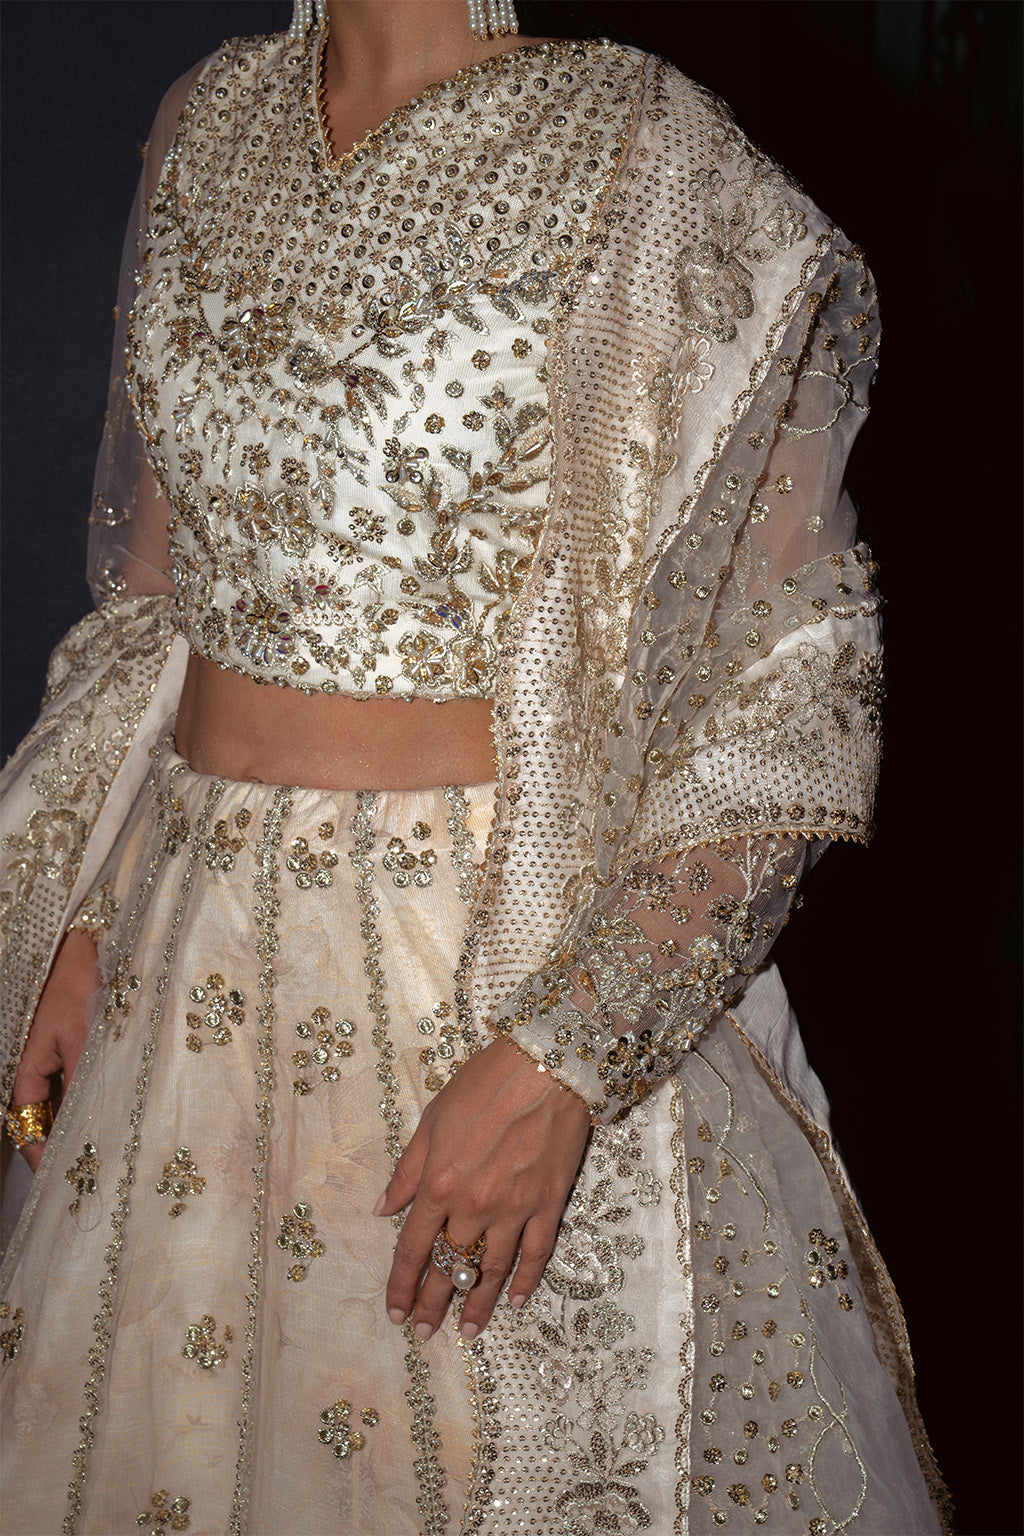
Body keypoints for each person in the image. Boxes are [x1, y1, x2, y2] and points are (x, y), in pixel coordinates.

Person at [0, 2, 950, 1531]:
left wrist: (568, 1055)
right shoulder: (207, 116)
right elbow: (162, 606)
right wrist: (88, 900)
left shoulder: (649, 150)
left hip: (479, 976)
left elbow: (791, 683)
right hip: (180, 970)